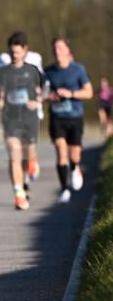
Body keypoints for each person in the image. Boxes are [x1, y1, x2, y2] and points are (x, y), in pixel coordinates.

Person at [0, 31, 46, 191]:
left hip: (29, 118)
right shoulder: (3, 72)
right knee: (14, 157)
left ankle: (32, 162)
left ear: (24, 50)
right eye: (11, 52)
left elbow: (45, 88)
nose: (14, 55)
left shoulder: (33, 70)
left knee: (29, 154)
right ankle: (18, 192)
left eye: (17, 52)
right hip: (10, 119)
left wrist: (37, 101)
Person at [44, 38, 93, 203]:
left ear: (67, 50)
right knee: (60, 149)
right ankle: (64, 189)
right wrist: (48, 96)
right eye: (55, 48)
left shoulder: (78, 69)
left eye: (60, 47)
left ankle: (74, 168)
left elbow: (89, 92)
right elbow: (39, 93)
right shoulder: (48, 71)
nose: (57, 51)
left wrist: (70, 94)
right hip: (57, 118)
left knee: (75, 156)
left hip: (75, 118)